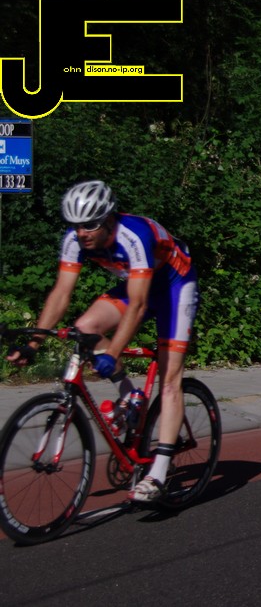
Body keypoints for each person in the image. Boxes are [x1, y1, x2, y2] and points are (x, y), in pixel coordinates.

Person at [5, 180, 199, 503]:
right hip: (137, 284)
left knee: (169, 378)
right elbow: (61, 293)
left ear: (109, 219)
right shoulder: (75, 239)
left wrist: (113, 352)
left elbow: (138, 307)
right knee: (85, 327)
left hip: (175, 285)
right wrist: (34, 343)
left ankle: (158, 474)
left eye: (90, 225)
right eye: (76, 226)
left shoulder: (134, 236)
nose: (82, 233)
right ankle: (130, 394)